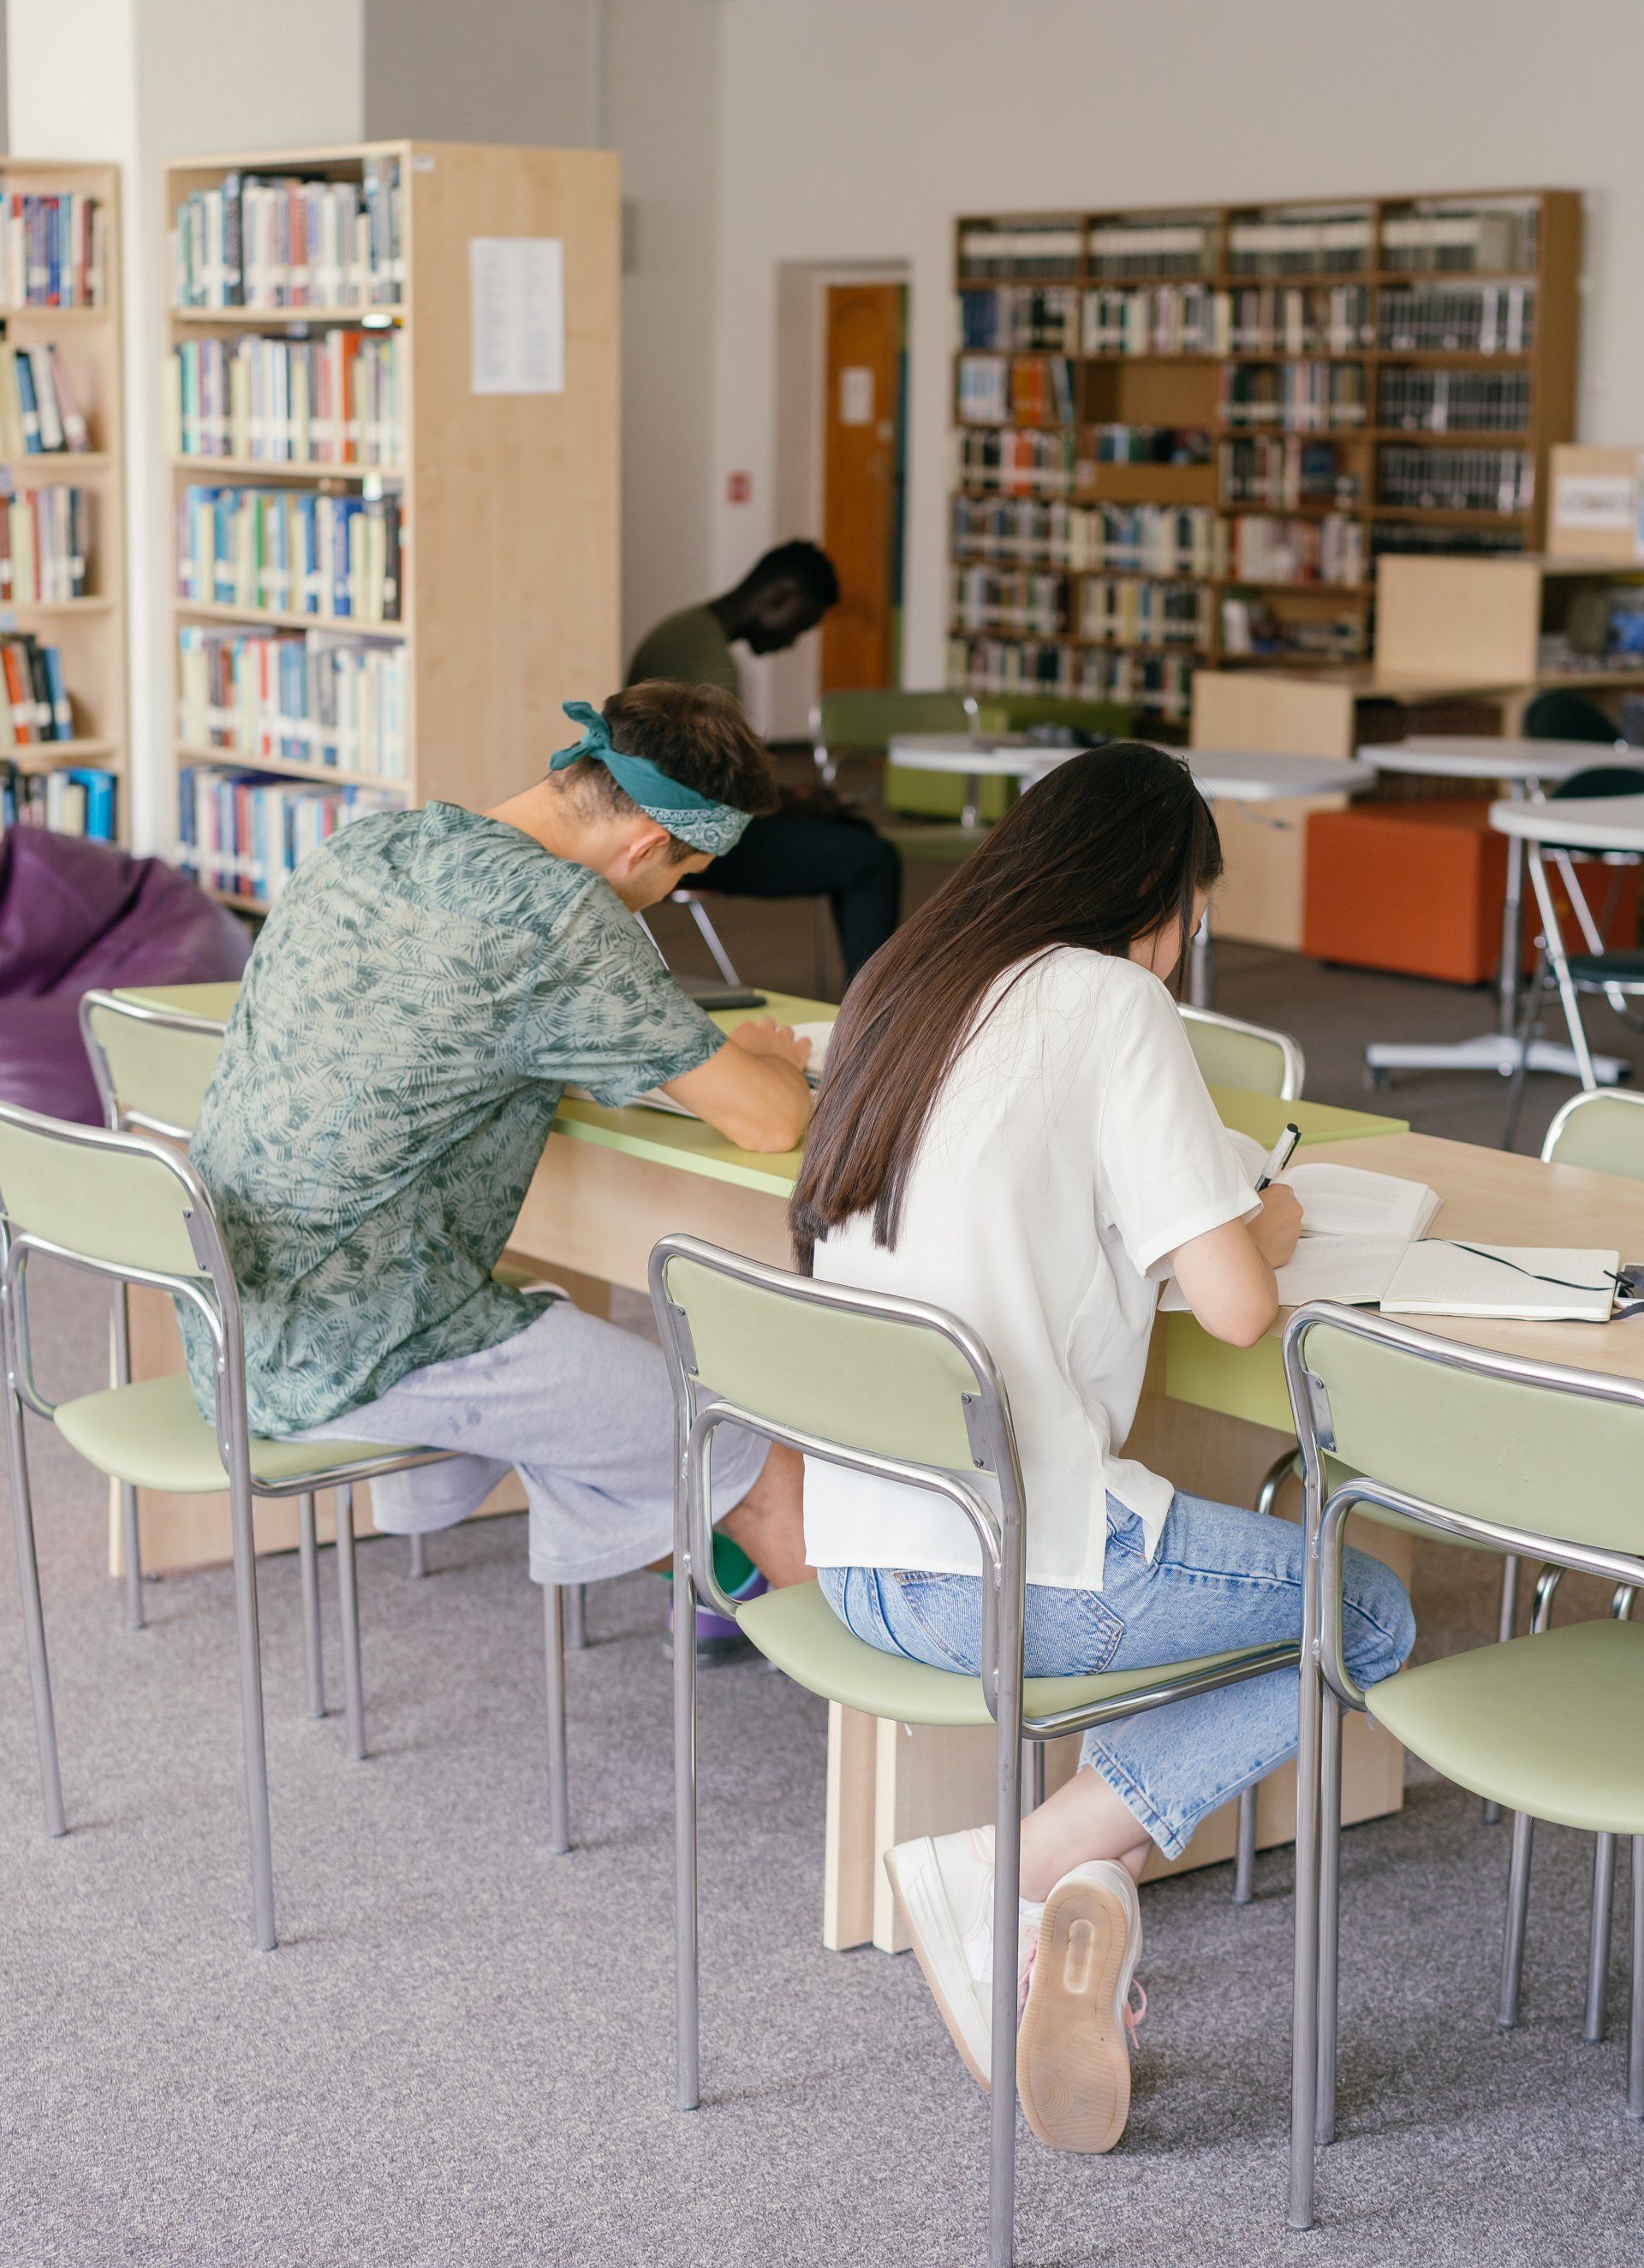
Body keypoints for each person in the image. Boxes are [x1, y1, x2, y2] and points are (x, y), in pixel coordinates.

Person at [789, 742, 1415, 2156]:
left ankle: (1089, 1880)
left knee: (1223, 1571)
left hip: (868, 1551)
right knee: (1362, 1612)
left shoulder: (905, 981)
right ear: (1166, 903)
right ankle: (1033, 1859)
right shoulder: (1116, 1001)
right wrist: (1272, 1217)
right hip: (1014, 1569)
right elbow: (1245, 1311)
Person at [184, 682, 815, 1595]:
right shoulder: (561, 917)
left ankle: (712, 1581)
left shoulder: (370, 841)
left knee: (573, 1336)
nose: (666, 895)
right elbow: (768, 1123)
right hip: (362, 1350)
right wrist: (765, 1062)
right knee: (752, 1447)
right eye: (678, 878)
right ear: (644, 846)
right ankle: (864, 1702)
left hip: (234, 1320)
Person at [627, 542, 902, 984]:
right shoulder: (708, 662)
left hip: (659, 824)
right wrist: (794, 802)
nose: (791, 641)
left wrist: (795, 799)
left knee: (853, 836)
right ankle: (876, 1013)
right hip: (691, 840)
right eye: (800, 624)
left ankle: (870, 999)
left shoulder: (684, 631)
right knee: (872, 858)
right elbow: (718, 787)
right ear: (779, 597)